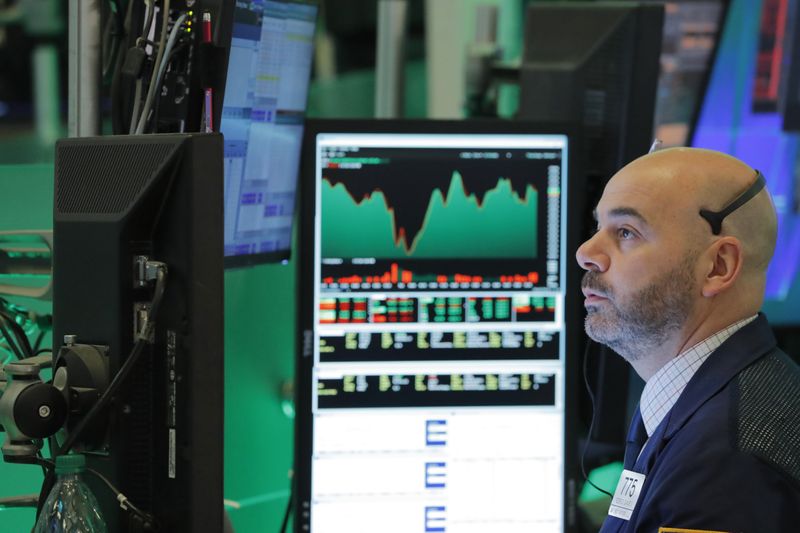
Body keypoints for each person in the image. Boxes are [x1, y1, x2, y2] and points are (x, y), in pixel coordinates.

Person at [575, 147, 800, 532]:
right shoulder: (701, 401)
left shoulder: (728, 465)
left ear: (717, 266)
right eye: (598, 228)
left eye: (626, 232)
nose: (586, 253)